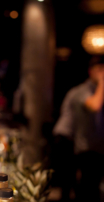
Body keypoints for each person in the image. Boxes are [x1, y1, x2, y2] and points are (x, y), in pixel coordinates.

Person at [53, 56, 104, 202]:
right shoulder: (82, 90)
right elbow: (94, 106)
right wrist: (102, 82)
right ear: (90, 71)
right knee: (69, 182)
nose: (103, 74)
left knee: (84, 181)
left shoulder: (96, 90)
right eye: (99, 70)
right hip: (65, 137)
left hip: (81, 139)